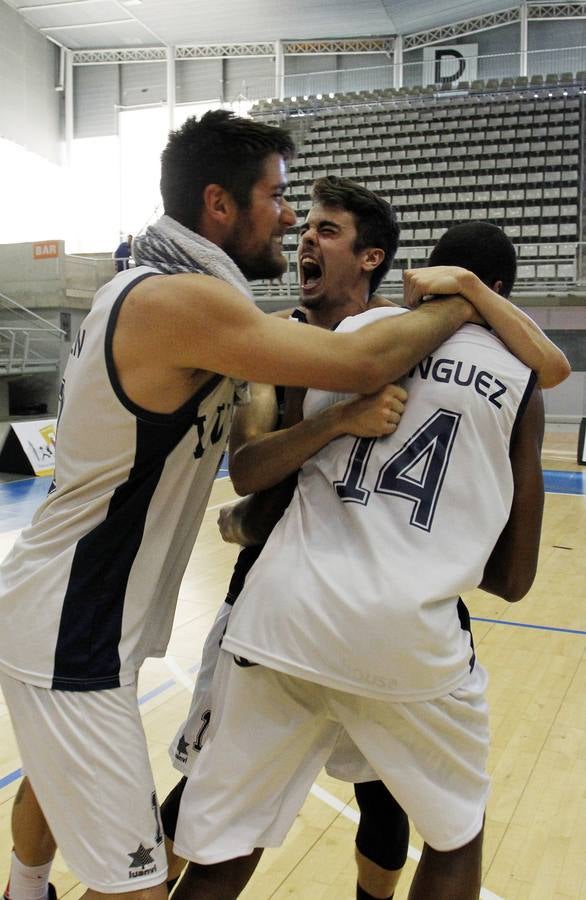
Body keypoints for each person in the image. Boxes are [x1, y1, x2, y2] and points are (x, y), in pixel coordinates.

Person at [0, 110, 564, 900]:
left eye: (319, 220)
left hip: (158, 617)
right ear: (219, 205)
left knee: (136, 809)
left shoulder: (200, 300)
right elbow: (291, 434)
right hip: (87, 619)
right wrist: (471, 297)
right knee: (140, 878)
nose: (294, 219)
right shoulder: (186, 303)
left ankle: (26, 887)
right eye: (280, 197)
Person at [169, 220, 549, 900]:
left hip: (282, 612)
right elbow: (516, 580)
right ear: (500, 298)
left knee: (224, 854)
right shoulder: (521, 379)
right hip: (406, 635)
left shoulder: (344, 340)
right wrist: (444, 554)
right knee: (455, 834)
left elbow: (259, 471)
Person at [163, 176, 412, 900]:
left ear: (370, 259)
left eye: (327, 231)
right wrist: (335, 423)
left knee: (386, 796)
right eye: (307, 229)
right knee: (213, 791)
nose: (305, 237)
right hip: (269, 601)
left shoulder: (401, 340)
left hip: (374, 601)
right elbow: (246, 469)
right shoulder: (273, 339)